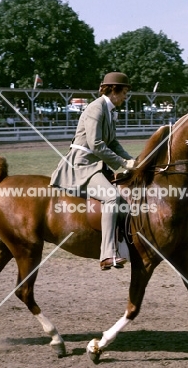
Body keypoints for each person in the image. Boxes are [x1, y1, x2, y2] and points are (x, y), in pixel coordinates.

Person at [50, 72, 136, 271]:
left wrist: (132, 161)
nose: (125, 97)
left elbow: (112, 142)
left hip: (96, 164)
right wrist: (123, 162)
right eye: (124, 92)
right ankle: (107, 254)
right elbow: (96, 145)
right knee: (111, 197)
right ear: (113, 90)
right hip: (82, 165)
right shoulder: (95, 109)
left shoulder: (109, 110)